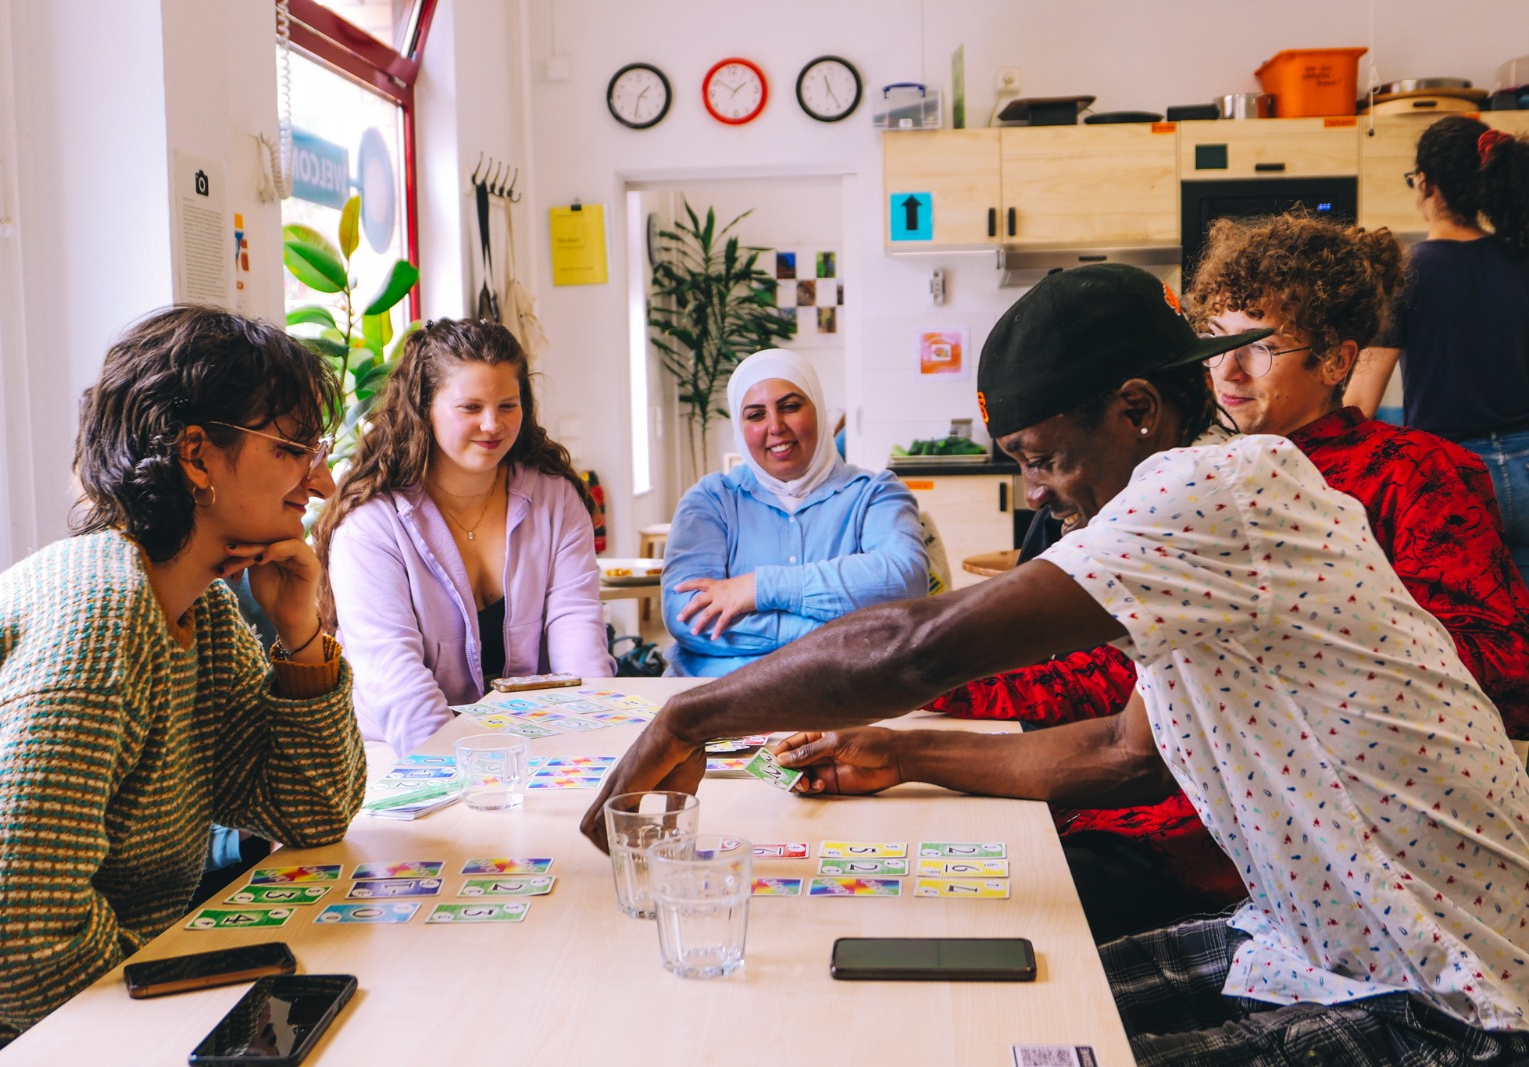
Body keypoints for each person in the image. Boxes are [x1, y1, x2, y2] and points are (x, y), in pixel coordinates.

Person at [581, 265, 1529, 1065]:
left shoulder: (1209, 491)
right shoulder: (1215, 502)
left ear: (1139, 410)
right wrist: (905, 755)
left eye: (1044, 460)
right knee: (971, 1026)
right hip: (1308, 943)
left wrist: (686, 716)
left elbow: (913, 644)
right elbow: (1127, 751)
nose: (1040, 495)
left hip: (1451, 990)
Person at [0, 307, 366, 1063]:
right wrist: (187, 968)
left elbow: (311, 810)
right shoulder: (97, 624)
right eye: (294, 448)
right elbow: (5, 948)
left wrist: (299, 630)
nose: (322, 481)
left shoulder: (198, 610)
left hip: (105, 1003)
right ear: (198, 454)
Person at [317, 318, 612, 756]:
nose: (492, 425)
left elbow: (578, 632)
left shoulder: (556, 498)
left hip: (536, 747)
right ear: (424, 408)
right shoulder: (371, 524)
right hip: (400, 755)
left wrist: (597, 741)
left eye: (508, 406)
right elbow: (395, 678)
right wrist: (466, 774)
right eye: (470, 408)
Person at [662, 349, 929, 677]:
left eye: (790, 407)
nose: (775, 426)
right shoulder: (710, 501)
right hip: (715, 698)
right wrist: (838, 634)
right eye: (756, 415)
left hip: (844, 704)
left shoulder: (876, 493)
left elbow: (905, 579)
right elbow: (686, 615)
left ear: (817, 410)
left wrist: (759, 588)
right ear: (739, 426)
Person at [1345, 115, 1529, 587]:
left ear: (1424, 183)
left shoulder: (1407, 272)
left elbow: (1360, 402)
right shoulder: (1521, 258)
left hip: (1453, 478)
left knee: (1470, 633)